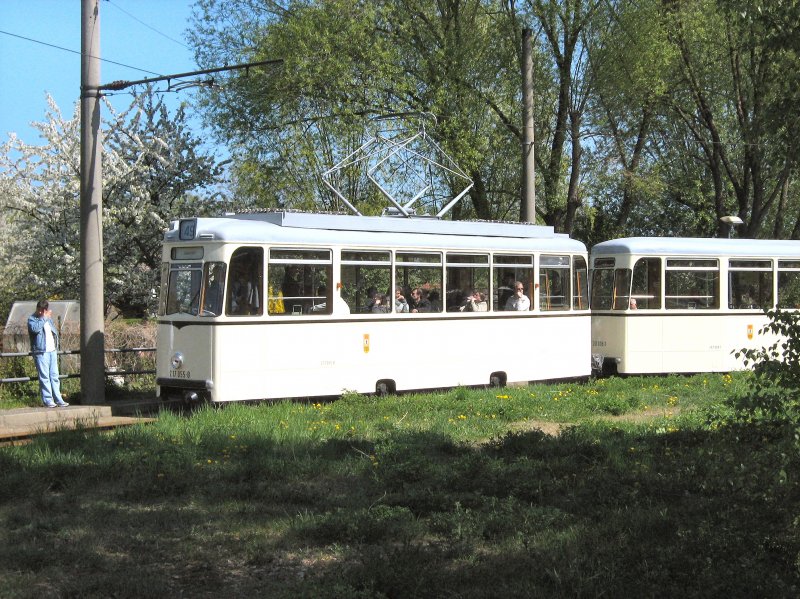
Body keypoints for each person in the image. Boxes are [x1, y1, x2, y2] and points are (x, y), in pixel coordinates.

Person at [27, 299, 69, 408]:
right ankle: (48, 400)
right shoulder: (32, 319)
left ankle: (58, 399)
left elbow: (54, 332)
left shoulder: (48, 319)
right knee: (44, 377)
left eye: (43, 310)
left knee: (54, 376)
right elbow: (35, 329)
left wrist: (47, 319)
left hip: (52, 351)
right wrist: (44, 318)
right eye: (39, 310)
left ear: (46, 310)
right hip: (41, 352)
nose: (41, 312)